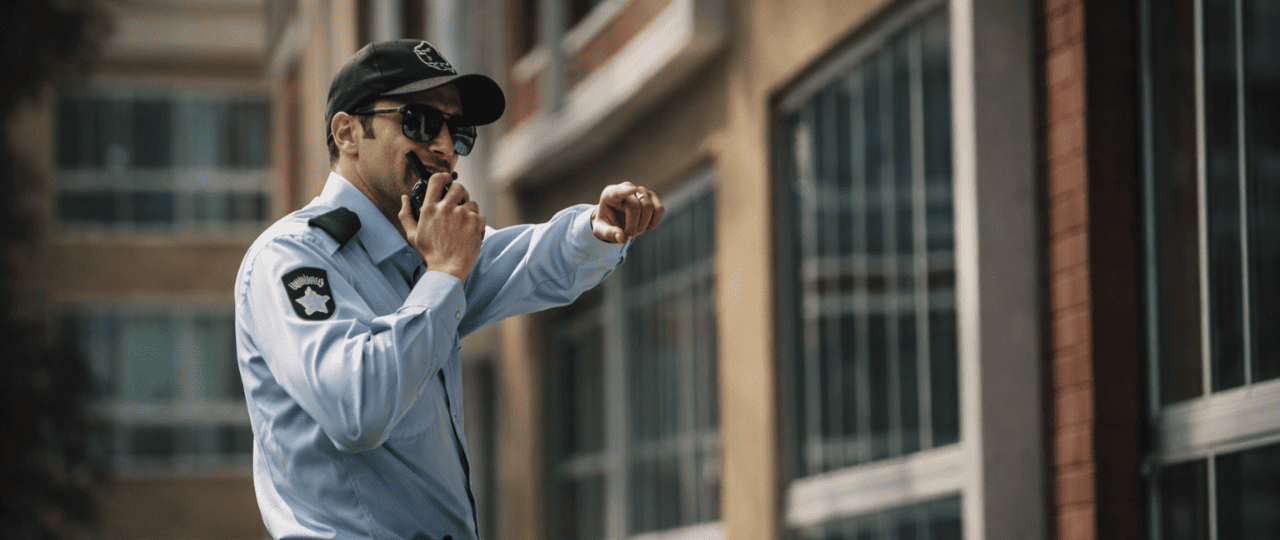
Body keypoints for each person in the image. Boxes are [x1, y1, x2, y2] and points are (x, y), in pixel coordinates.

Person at [234, 39, 663, 540]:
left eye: (459, 131)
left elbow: (531, 260)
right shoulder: (291, 257)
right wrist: (443, 275)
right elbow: (356, 409)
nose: (444, 146)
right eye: (418, 121)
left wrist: (597, 224)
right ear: (348, 132)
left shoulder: (427, 250)